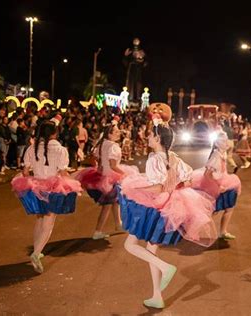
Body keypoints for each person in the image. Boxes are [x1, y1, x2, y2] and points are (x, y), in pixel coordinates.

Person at [118, 120, 216, 309]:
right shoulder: (173, 157)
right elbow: (187, 182)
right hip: (169, 206)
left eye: (149, 134)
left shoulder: (154, 159)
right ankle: (157, 295)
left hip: (155, 206)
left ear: (157, 138)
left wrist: (137, 187)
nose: (147, 137)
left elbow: (158, 187)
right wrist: (174, 186)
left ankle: (165, 267)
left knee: (130, 244)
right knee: (151, 250)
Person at [11, 121, 83, 273]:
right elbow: (63, 173)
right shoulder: (61, 150)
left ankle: (37, 249)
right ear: (54, 133)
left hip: (36, 186)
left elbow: (25, 171)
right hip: (53, 188)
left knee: (40, 218)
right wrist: (74, 181)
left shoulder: (32, 148)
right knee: (48, 222)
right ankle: (36, 254)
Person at [74, 118, 138, 240]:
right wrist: (125, 174)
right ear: (109, 134)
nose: (119, 133)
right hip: (111, 178)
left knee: (115, 201)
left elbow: (96, 158)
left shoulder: (103, 143)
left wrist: (100, 167)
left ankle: (118, 224)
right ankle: (98, 231)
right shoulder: (113, 147)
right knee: (107, 205)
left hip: (103, 176)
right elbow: (113, 165)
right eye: (116, 131)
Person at [191, 129, 241, 240]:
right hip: (217, 186)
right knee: (211, 210)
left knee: (229, 207)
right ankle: (192, 230)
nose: (226, 143)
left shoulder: (222, 154)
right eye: (223, 141)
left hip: (226, 183)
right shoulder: (216, 156)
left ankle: (223, 232)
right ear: (217, 143)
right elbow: (207, 174)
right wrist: (218, 186)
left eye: (226, 140)